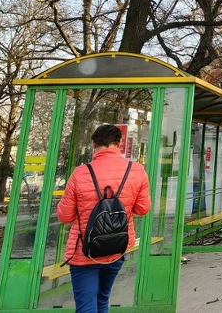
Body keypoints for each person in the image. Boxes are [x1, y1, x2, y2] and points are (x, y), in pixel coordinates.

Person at [57, 124, 151, 313]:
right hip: (116, 248)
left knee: (86, 306)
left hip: (84, 251)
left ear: (94, 144)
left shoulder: (80, 173)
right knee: (102, 299)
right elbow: (142, 209)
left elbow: (64, 216)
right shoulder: (137, 171)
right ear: (119, 142)